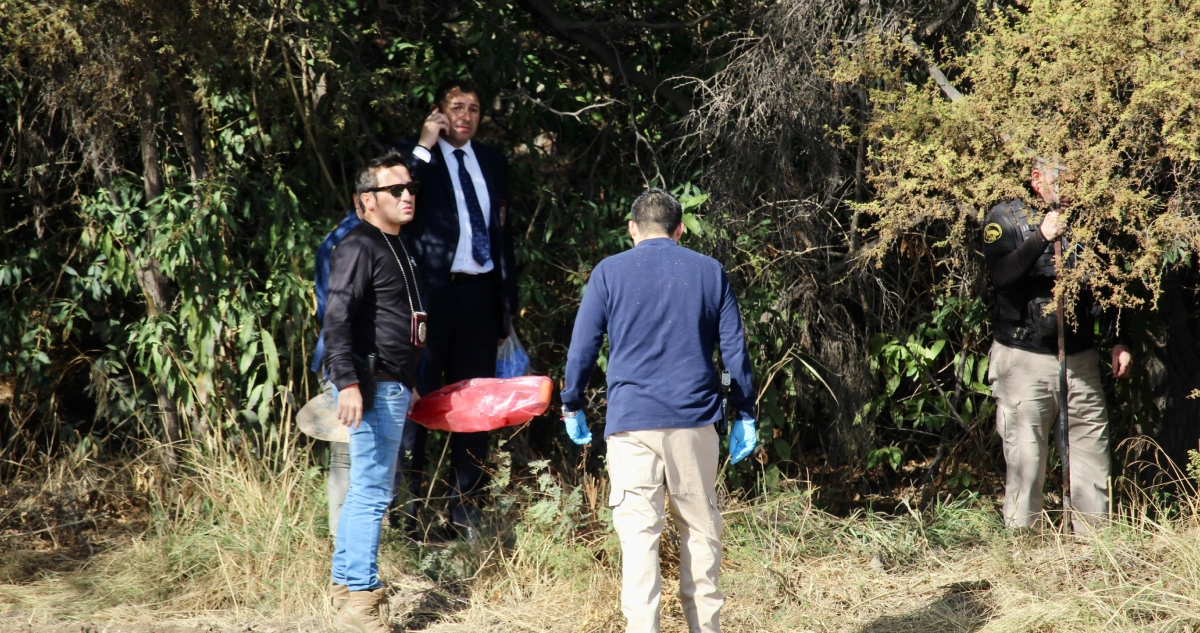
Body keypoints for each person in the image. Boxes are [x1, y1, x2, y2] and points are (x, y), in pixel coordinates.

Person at [560, 188, 758, 633]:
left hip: (631, 426)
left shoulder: (609, 273)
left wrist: (571, 403)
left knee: (639, 540)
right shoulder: (709, 271)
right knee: (701, 533)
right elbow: (735, 350)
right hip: (694, 420)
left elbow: (583, 348)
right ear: (680, 229)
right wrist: (745, 411)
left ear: (632, 229)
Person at [983, 158, 1132, 534]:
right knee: (1027, 461)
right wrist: (1042, 238)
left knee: (1091, 459)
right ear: (1037, 180)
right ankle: (1023, 554)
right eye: (1062, 180)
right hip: (1024, 361)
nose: (1072, 190)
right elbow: (1001, 276)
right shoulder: (1005, 218)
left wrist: (1119, 339)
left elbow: (1113, 284)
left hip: (1080, 360)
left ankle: (1094, 552)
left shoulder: (1089, 220)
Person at [397, 79, 519, 538]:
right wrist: (426, 144)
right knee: (420, 399)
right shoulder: (416, 158)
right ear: (438, 113)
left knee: (475, 405)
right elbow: (400, 199)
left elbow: (504, 234)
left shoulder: (491, 161)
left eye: (473, 107)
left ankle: (463, 514)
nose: (465, 115)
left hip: (480, 296)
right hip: (430, 298)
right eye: (455, 107)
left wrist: (506, 306)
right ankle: (409, 514)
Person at [323, 150, 426, 632]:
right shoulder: (357, 245)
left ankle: (345, 587)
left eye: (410, 189)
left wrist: (412, 382)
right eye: (396, 190)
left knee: (369, 490)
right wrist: (346, 382)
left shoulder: (398, 244)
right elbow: (337, 319)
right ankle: (362, 605)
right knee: (371, 493)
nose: (408, 195)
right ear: (367, 199)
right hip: (372, 384)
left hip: (394, 384)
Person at [312, 201, 361, 540]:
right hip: (349, 365)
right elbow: (336, 316)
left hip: (342, 360)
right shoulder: (352, 240)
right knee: (348, 459)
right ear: (364, 200)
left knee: (351, 460)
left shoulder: (338, 237)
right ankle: (343, 548)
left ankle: (343, 543)